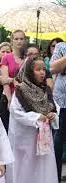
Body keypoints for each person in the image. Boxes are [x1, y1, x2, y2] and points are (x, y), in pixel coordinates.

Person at [7, 57, 59, 183]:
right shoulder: (21, 90)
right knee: (25, 167)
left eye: (43, 69)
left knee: (42, 167)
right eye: (38, 69)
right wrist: (36, 117)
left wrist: (53, 115)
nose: (42, 73)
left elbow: (54, 107)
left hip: (44, 137)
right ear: (30, 72)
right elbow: (16, 112)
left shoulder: (45, 90)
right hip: (25, 138)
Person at [0, 30, 26, 132]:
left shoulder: (28, 58)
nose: (19, 41)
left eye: (21, 39)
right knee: (6, 130)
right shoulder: (6, 58)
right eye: (16, 39)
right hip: (8, 97)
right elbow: (4, 80)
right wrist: (10, 101)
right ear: (12, 41)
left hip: (24, 98)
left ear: (25, 40)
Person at [51, 42, 66, 182]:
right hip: (62, 102)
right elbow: (54, 68)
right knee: (58, 141)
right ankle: (55, 177)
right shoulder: (61, 47)